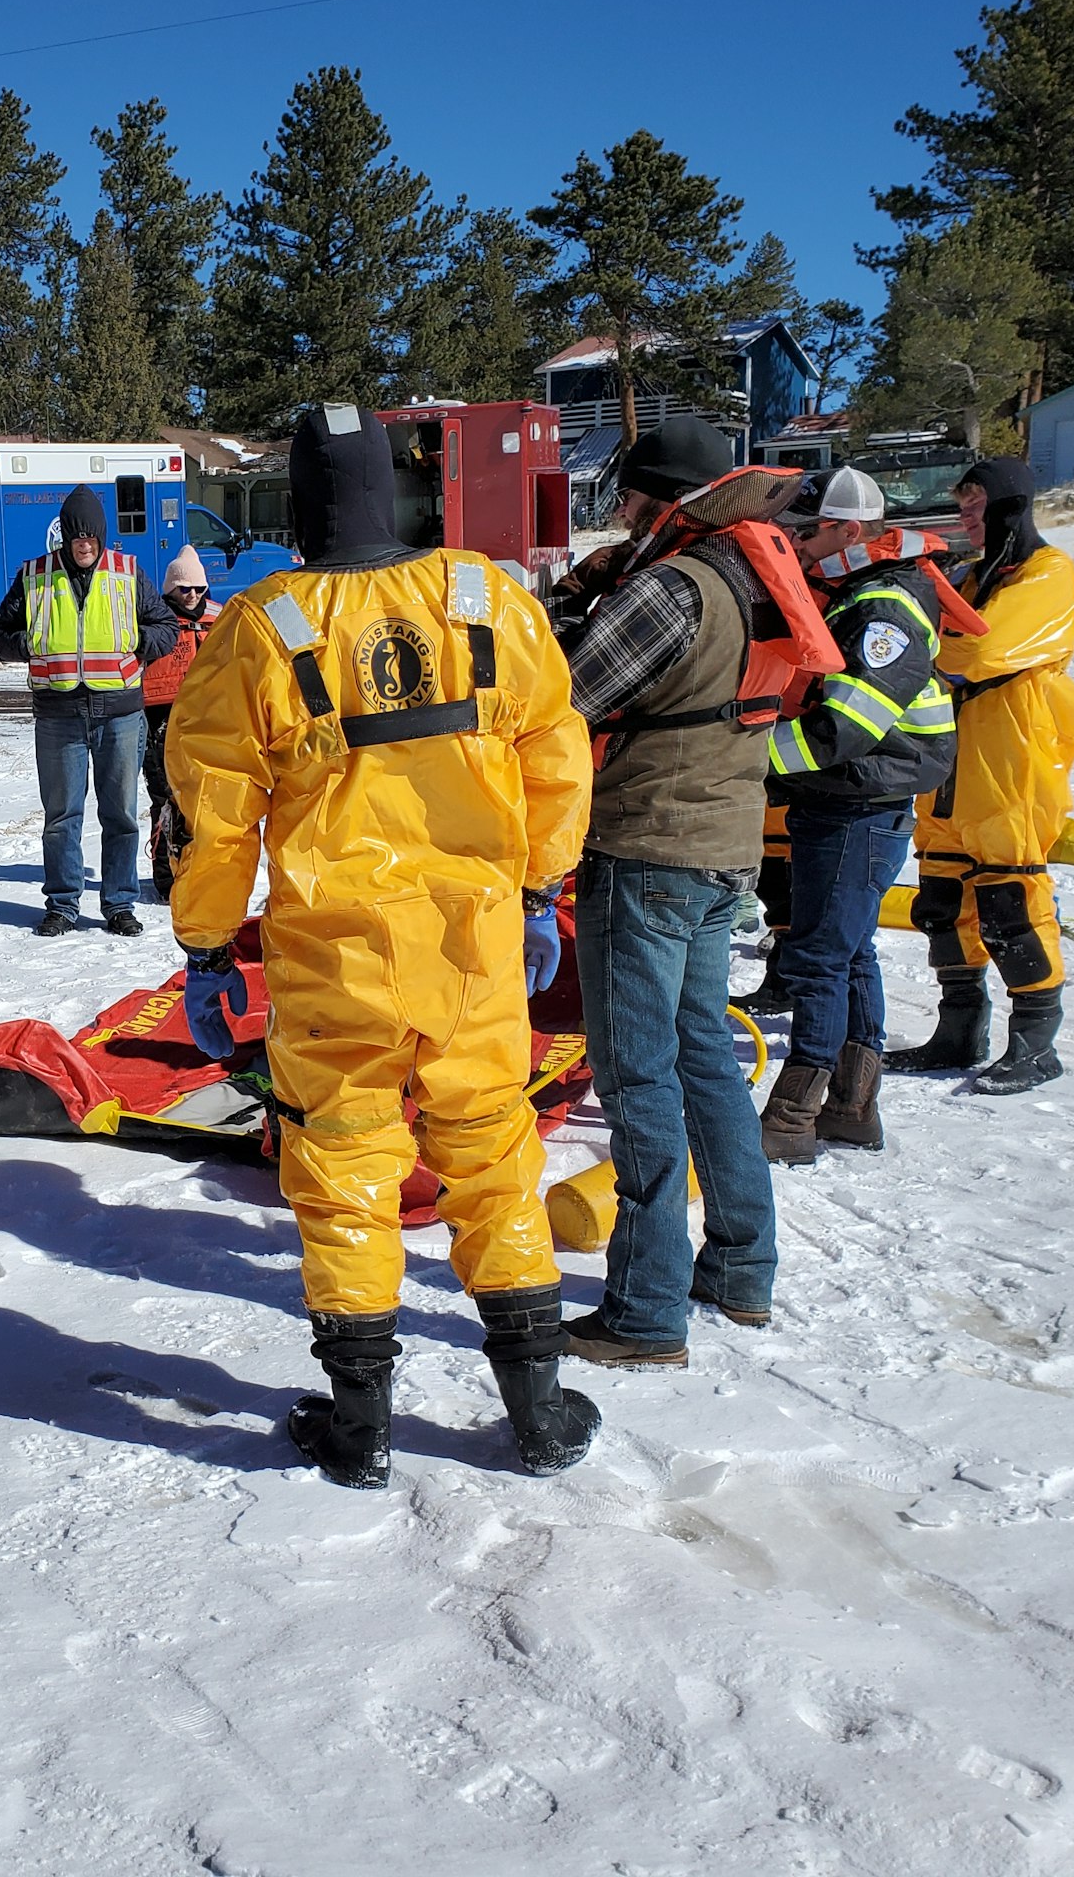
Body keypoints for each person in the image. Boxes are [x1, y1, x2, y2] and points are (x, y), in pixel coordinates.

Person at [167, 404, 598, 1484]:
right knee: (492, 1156)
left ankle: (358, 1430)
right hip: (474, 941)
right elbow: (558, 753)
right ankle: (537, 1415)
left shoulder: (261, 624)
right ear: (400, 489)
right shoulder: (487, 595)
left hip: (337, 952)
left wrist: (208, 948)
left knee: (344, 1164)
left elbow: (215, 811)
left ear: (299, 500)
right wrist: (540, 885)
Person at [558, 419, 830, 1365]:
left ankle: (644, 1311)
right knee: (704, 1057)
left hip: (647, 851)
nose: (621, 518)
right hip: (722, 850)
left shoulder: (670, 587)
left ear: (659, 501)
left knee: (637, 1077)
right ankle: (741, 1268)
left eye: (630, 501)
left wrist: (569, 607)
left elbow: (562, 699)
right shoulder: (756, 573)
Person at [758, 467, 962, 1161]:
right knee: (847, 956)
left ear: (850, 529)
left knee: (816, 959)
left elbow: (838, 730)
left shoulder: (885, 613)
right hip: (853, 805)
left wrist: (743, 760)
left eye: (806, 533)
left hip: (856, 809)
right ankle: (850, 1107)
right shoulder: (867, 595)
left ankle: (792, 1116)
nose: (799, 547)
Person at [887, 456, 1074, 1093]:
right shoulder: (972, 577)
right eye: (963, 504)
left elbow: (986, 650)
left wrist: (918, 649)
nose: (967, 516)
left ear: (1009, 506)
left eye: (976, 505)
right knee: (942, 900)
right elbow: (947, 643)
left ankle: (1035, 1039)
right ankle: (959, 1028)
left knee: (1011, 900)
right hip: (952, 762)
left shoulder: (1049, 575)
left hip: (1013, 759)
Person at [0, 485, 180, 937]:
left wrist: (137, 646)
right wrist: (29, 647)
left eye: (91, 539)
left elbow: (165, 626)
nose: (84, 547)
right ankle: (62, 903)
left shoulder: (127, 573)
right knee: (61, 819)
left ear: (101, 537)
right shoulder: (34, 575)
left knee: (120, 817)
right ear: (65, 539)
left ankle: (119, 904)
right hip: (58, 716)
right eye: (77, 540)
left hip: (119, 713)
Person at [140, 544, 223, 901]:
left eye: (198, 588)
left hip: (207, 724)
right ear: (170, 588)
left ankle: (202, 872)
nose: (192, 596)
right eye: (184, 588)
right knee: (165, 801)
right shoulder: (154, 621)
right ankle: (165, 875)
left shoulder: (219, 619)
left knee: (208, 803)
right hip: (161, 723)